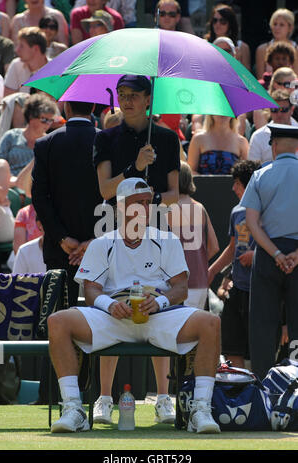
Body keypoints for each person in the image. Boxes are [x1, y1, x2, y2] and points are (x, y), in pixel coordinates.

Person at [48, 177, 221, 434]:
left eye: (147, 202)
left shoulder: (167, 239)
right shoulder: (101, 243)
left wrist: (159, 302)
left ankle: (201, 410)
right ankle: (74, 408)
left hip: (158, 316)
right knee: (57, 321)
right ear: (120, 207)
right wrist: (109, 305)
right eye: (137, 203)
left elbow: (180, 288)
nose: (143, 208)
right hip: (113, 318)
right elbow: (92, 290)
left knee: (211, 322)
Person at [93, 74, 180, 425]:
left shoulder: (167, 137)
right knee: (111, 306)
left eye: (134, 95)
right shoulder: (105, 137)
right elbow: (105, 190)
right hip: (112, 227)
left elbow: (175, 193)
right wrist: (137, 168)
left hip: (157, 229)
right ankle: (102, 398)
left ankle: (163, 397)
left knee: (156, 306)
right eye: (122, 94)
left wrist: (148, 200)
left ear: (148, 99)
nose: (127, 100)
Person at [240, 123, 298, 380]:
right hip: (296, 256)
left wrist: (276, 254)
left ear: (273, 147)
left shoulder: (260, 175)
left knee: (262, 325)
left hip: (267, 254)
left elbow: (251, 222)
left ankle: (263, 383)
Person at [31, 100, 103, 307]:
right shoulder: (106, 141)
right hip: (99, 245)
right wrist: (95, 240)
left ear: (67, 108)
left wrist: (61, 237)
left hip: (59, 248)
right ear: (92, 109)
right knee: (104, 318)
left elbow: (39, 196)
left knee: (58, 316)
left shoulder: (46, 143)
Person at [208, 160, 260, 369]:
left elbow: (278, 244)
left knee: (260, 346)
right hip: (237, 287)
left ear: (248, 184)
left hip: (260, 288)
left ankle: (260, 392)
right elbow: (232, 248)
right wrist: (211, 271)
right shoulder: (236, 212)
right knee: (232, 345)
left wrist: (255, 255)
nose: (233, 188)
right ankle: (240, 387)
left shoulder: (267, 209)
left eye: (237, 183)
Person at [168, 161, 219, 309]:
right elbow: (214, 247)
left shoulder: (166, 209)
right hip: (200, 283)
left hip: (175, 285)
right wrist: (197, 262)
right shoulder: (200, 208)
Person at [0, 93, 57, 180]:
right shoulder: (11, 136)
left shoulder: (50, 143)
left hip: (36, 189)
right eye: (44, 119)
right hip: (9, 187)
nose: (48, 124)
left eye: (50, 120)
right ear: (31, 116)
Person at [248, 89, 298, 165]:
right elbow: (253, 169)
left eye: (284, 110)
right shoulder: (258, 136)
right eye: (274, 110)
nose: (279, 114)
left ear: (292, 109)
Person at [204, 3, 251, 71]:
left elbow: (247, 78)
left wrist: (236, 61)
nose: (218, 24)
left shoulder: (242, 47)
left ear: (230, 23)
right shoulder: (204, 44)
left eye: (222, 21)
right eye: (215, 20)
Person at [3, 26, 48, 96]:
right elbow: (7, 100)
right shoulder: (16, 65)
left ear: (35, 49)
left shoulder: (55, 70)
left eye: (21, 46)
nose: (17, 50)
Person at [255, 8, 298, 80]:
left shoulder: (296, 49)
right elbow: (260, 80)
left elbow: (296, 81)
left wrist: (285, 87)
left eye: (281, 25)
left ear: (290, 28)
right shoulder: (262, 49)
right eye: (274, 24)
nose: (277, 28)